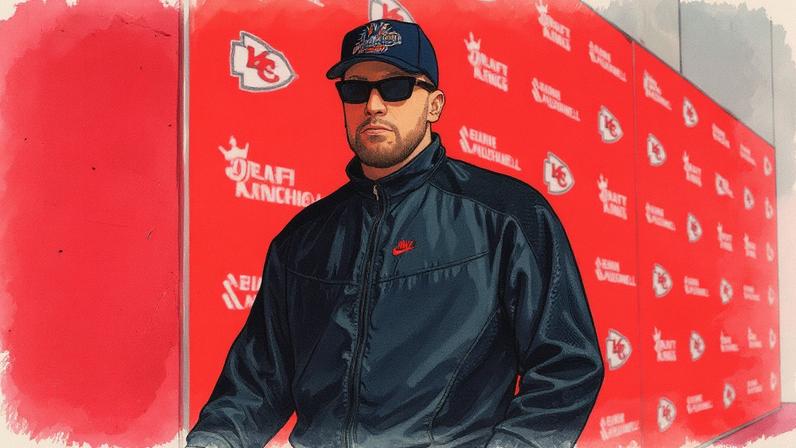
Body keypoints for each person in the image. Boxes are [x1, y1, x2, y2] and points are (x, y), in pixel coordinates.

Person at [187, 19, 604, 448]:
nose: (373, 105)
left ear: (434, 105)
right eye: (354, 89)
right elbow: (256, 383)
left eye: (396, 87)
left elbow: (567, 366)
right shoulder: (302, 240)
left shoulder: (508, 216)